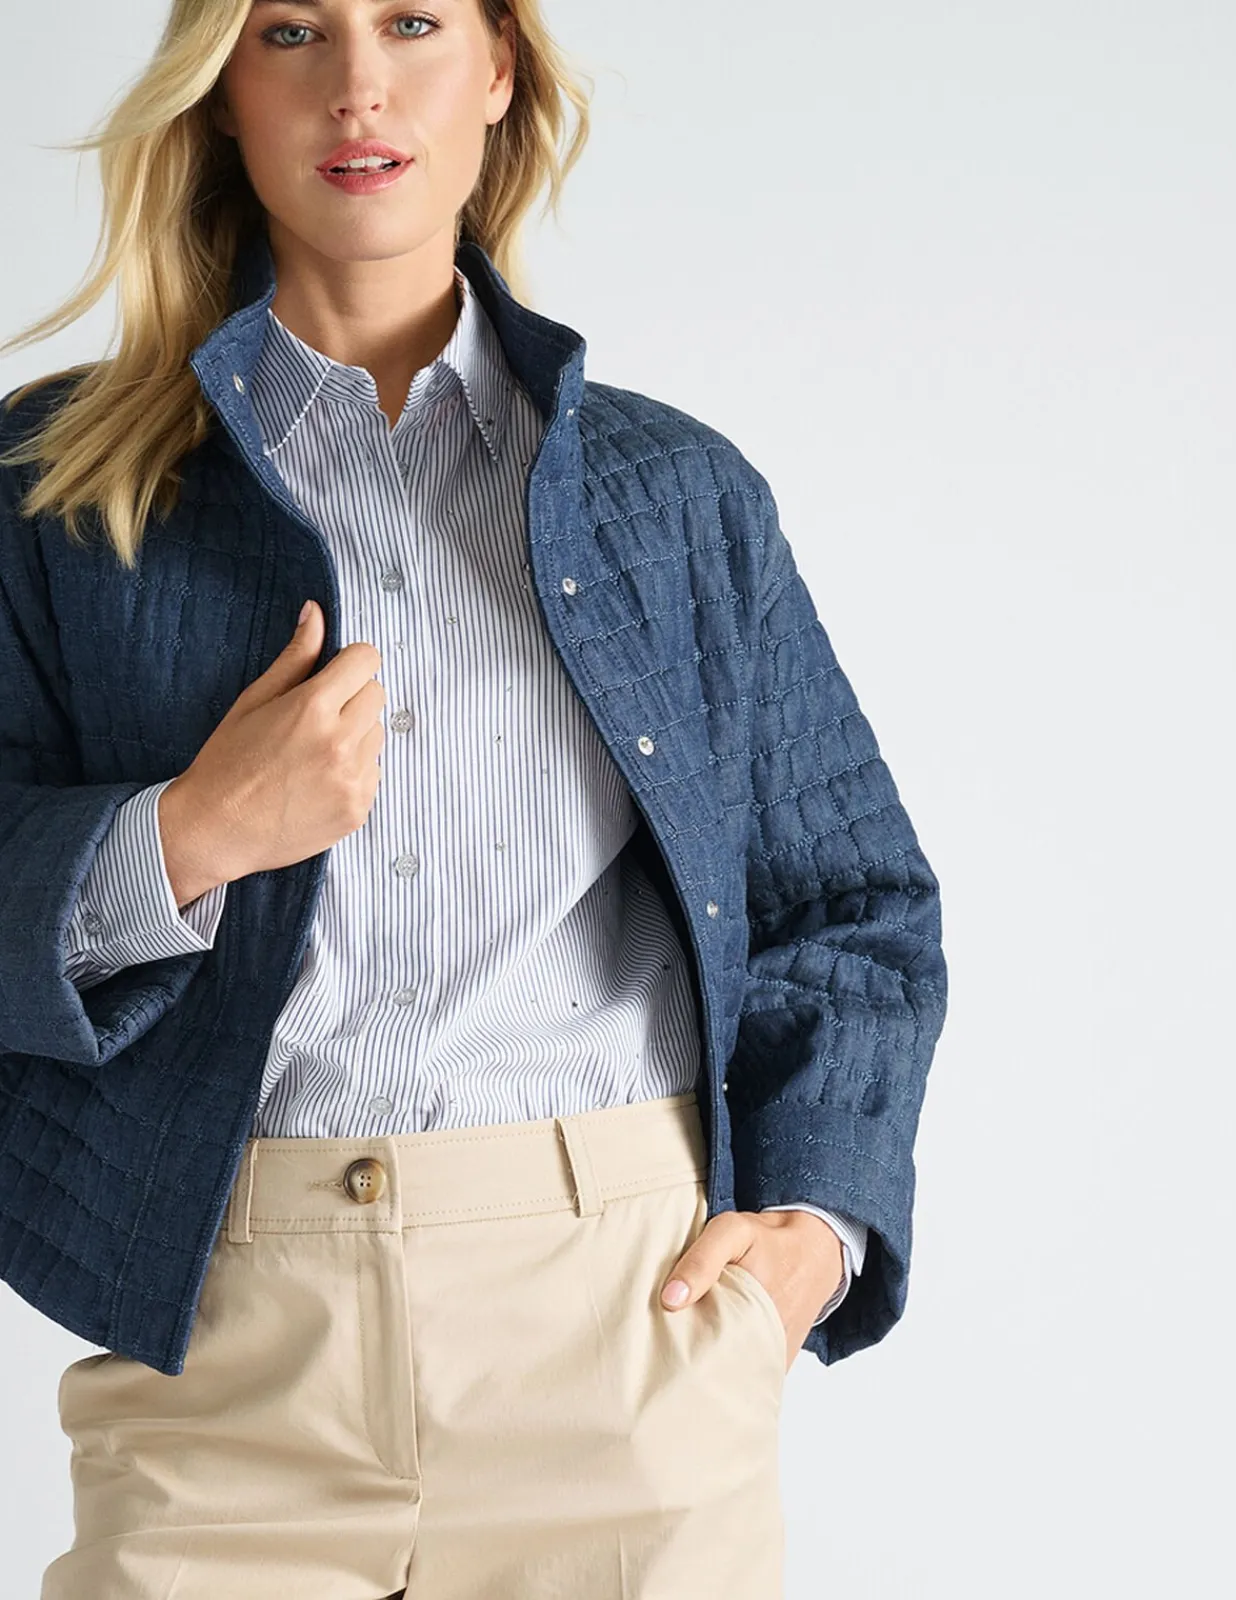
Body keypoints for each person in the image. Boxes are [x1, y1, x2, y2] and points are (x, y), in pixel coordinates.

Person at [0, 1, 948, 1595]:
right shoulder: (56, 490)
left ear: (500, 68)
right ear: (219, 90)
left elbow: (848, 902)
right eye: (291, 31)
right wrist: (188, 835)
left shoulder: (672, 497)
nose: (357, 86)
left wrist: (814, 1230)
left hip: (621, 1328)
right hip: (225, 1339)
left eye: (414, 22)